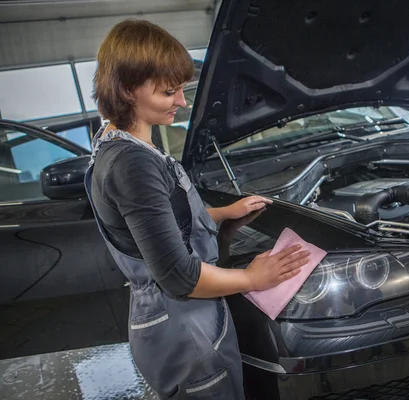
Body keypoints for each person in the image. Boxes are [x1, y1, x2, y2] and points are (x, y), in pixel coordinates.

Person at [85, 19, 310, 399]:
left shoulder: (113, 141)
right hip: (185, 328)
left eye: (182, 89)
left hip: (175, 322)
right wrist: (254, 279)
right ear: (127, 89)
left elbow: (157, 221)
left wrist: (222, 213)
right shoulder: (132, 164)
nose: (182, 102)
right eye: (169, 92)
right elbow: (178, 276)